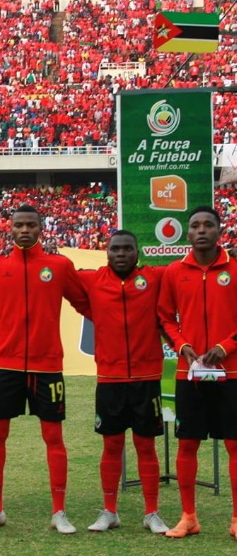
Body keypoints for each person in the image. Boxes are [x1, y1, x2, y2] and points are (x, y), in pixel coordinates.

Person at [0, 204, 89, 534]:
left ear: (41, 229)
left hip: (47, 367)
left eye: (31, 225)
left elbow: (84, 302)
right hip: (6, 365)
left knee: (53, 437)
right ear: (10, 229)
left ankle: (59, 511)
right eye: (19, 225)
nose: (25, 230)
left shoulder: (58, 266)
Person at [77, 230, 168, 534]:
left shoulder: (154, 278)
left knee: (146, 445)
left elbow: (188, 269)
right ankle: (109, 511)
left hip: (146, 378)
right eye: (115, 248)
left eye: (128, 248)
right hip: (110, 379)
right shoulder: (92, 280)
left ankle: (151, 512)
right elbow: (63, 280)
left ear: (137, 252)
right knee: (111, 445)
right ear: (107, 252)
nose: (121, 254)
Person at [157, 205, 237, 539]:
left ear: (220, 231)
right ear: (186, 233)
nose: (201, 230)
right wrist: (182, 346)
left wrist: (226, 346)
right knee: (187, 444)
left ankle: (236, 519)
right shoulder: (175, 271)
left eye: (208, 225)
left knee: (235, 445)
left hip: (231, 373)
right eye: (195, 225)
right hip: (189, 375)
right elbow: (164, 318)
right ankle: (188, 517)